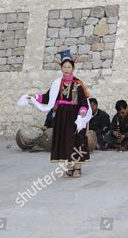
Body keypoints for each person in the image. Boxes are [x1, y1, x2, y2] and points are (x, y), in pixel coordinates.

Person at [18, 49, 92, 178]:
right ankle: (69, 166)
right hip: (62, 117)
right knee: (65, 141)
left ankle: (78, 167)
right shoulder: (57, 83)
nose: (66, 69)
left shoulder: (78, 84)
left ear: (73, 68)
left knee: (75, 140)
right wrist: (34, 96)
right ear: (61, 68)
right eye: (64, 67)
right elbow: (47, 97)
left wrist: (82, 113)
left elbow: (83, 102)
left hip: (74, 117)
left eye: (69, 67)